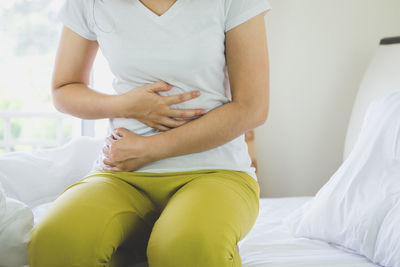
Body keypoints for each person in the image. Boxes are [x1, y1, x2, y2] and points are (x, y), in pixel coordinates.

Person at [27, 0, 271, 266]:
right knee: (56, 239)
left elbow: (252, 107)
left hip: (215, 171)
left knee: (185, 248)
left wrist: (150, 149)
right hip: (121, 174)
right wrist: (124, 105)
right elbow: (64, 88)